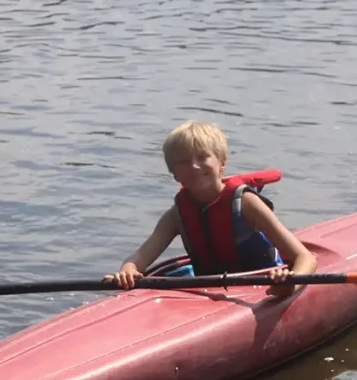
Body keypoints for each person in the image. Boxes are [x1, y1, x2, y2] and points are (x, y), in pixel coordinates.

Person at [105, 120, 318, 298]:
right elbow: (140, 256)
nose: (195, 166)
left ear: (222, 163)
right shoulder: (177, 215)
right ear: (174, 173)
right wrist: (128, 271)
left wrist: (291, 284)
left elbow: (306, 258)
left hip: (263, 287)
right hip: (212, 292)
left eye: (202, 157)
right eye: (184, 161)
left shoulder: (247, 204)